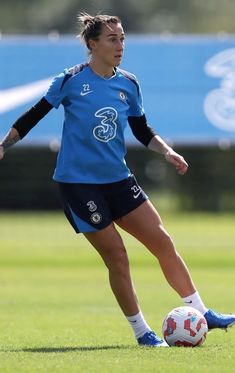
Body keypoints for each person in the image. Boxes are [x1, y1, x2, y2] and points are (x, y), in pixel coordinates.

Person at [0, 13, 234, 347]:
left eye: (122, 38)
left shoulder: (128, 83)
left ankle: (201, 312)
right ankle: (143, 332)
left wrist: (167, 152)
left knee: (163, 242)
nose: (120, 45)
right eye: (112, 39)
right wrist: (4, 145)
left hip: (119, 180)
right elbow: (33, 115)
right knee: (118, 256)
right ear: (92, 44)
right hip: (79, 185)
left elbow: (141, 129)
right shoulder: (70, 80)